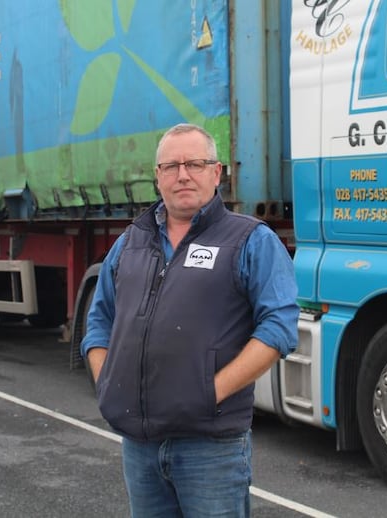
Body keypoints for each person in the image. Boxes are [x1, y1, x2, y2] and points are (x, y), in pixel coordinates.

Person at [81, 122, 298, 517]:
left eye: (195, 164)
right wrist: (108, 384)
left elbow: (278, 328)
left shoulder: (250, 240)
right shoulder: (130, 242)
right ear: (157, 177)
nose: (183, 174)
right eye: (171, 166)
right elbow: (99, 321)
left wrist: (209, 393)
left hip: (209, 446)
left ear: (216, 173)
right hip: (140, 445)